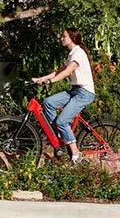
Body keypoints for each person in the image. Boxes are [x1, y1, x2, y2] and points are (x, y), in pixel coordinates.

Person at [31, 28, 96, 162]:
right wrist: (40, 79)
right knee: (48, 103)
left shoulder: (78, 53)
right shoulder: (72, 54)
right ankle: (59, 137)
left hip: (84, 93)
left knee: (62, 121)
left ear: (72, 38)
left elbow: (67, 72)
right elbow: (58, 71)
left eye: (64, 36)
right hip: (75, 91)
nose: (62, 38)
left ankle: (76, 155)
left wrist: (49, 82)